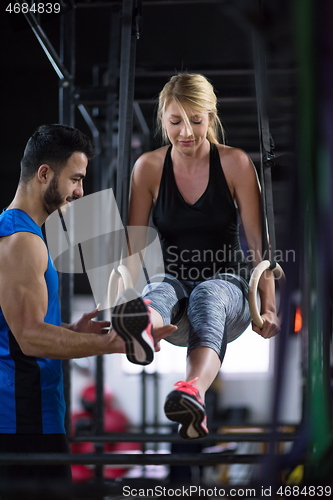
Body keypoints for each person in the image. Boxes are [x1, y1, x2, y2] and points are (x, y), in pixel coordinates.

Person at [0, 124, 174, 499]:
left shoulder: (22, 234)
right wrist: (115, 344)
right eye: (75, 179)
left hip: (32, 415)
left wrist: (73, 330)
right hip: (22, 421)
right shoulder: (20, 241)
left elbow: (13, 328)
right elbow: (28, 338)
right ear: (44, 173)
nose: (79, 191)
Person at [122, 73, 280, 440]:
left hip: (229, 289)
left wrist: (269, 306)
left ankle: (192, 391)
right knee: (157, 289)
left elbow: (260, 246)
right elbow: (133, 247)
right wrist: (124, 300)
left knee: (208, 295)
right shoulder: (147, 168)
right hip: (174, 291)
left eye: (197, 120)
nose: (187, 133)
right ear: (163, 119)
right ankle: (141, 328)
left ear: (211, 117)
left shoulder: (235, 164)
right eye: (176, 121)